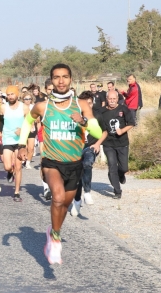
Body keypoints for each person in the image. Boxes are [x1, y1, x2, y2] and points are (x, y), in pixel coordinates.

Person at [16, 63, 102, 265]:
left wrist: (83, 122)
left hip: (74, 163)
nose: (61, 81)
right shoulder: (42, 106)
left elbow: (98, 133)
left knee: (63, 205)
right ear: (51, 81)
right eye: (56, 77)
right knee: (57, 197)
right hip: (51, 162)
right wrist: (22, 145)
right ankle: (55, 240)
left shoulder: (82, 105)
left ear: (71, 79)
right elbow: (27, 121)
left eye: (65, 77)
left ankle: (53, 231)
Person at [70, 91, 107, 217]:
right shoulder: (74, 115)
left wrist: (98, 144)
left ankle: (87, 192)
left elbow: (105, 132)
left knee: (87, 164)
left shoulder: (97, 115)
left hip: (90, 146)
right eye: (84, 104)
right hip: (76, 148)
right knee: (76, 177)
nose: (87, 106)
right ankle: (77, 200)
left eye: (89, 103)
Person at [101, 90, 135, 199]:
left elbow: (131, 123)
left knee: (124, 167)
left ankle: (121, 174)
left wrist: (122, 130)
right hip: (108, 143)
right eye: (110, 99)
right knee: (112, 166)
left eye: (114, 99)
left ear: (117, 99)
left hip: (122, 142)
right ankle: (117, 191)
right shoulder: (102, 112)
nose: (112, 101)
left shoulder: (123, 109)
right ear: (107, 99)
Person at [0, 86, 29, 201]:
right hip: (7, 139)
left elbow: (30, 124)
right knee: (7, 166)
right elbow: (1, 121)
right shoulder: (3, 107)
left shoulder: (24, 107)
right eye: (8, 94)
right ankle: (10, 172)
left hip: (20, 141)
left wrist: (22, 130)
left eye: (12, 94)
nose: (10, 96)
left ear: (17, 94)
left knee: (18, 167)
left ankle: (16, 192)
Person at [20, 90, 37, 170]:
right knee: (24, 147)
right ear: (23, 99)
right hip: (23, 129)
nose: (28, 100)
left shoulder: (34, 107)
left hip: (32, 129)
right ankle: (23, 160)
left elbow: (38, 119)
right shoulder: (20, 107)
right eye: (26, 99)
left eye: (29, 99)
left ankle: (28, 162)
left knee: (31, 148)